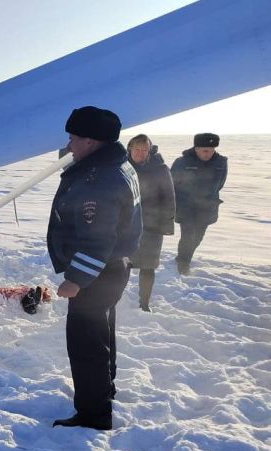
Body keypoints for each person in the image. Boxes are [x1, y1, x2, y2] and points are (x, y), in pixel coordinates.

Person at [47, 106, 142, 430]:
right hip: (113, 268)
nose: (69, 143)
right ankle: (103, 391)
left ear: (91, 141)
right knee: (101, 335)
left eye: (73, 137)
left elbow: (97, 238)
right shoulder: (114, 163)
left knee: (85, 343)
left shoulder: (99, 181)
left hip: (98, 272)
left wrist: (76, 279)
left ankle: (93, 415)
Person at [127, 134, 175, 311]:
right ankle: (115, 297)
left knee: (148, 266)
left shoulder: (160, 169)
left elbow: (169, 198)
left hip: (152, 225)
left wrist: (166, 226)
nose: (140, 153)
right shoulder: (121, 167)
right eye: (137, 149)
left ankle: (144, 303)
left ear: (149, 151)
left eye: (144, 150)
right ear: (129, 149)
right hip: (126, 225)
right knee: (122, 264)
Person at [170, 133, 227, 275]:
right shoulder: (182, 162)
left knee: (198, 236)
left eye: (212, 150)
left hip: (207, 206)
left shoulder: (221, 162)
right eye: (205, 150)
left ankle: (185, 256)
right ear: (196, 148)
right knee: (188, 235)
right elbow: (172, 183)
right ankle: (183, 262)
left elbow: (220, 183)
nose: (209, 154)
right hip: (186, 206)